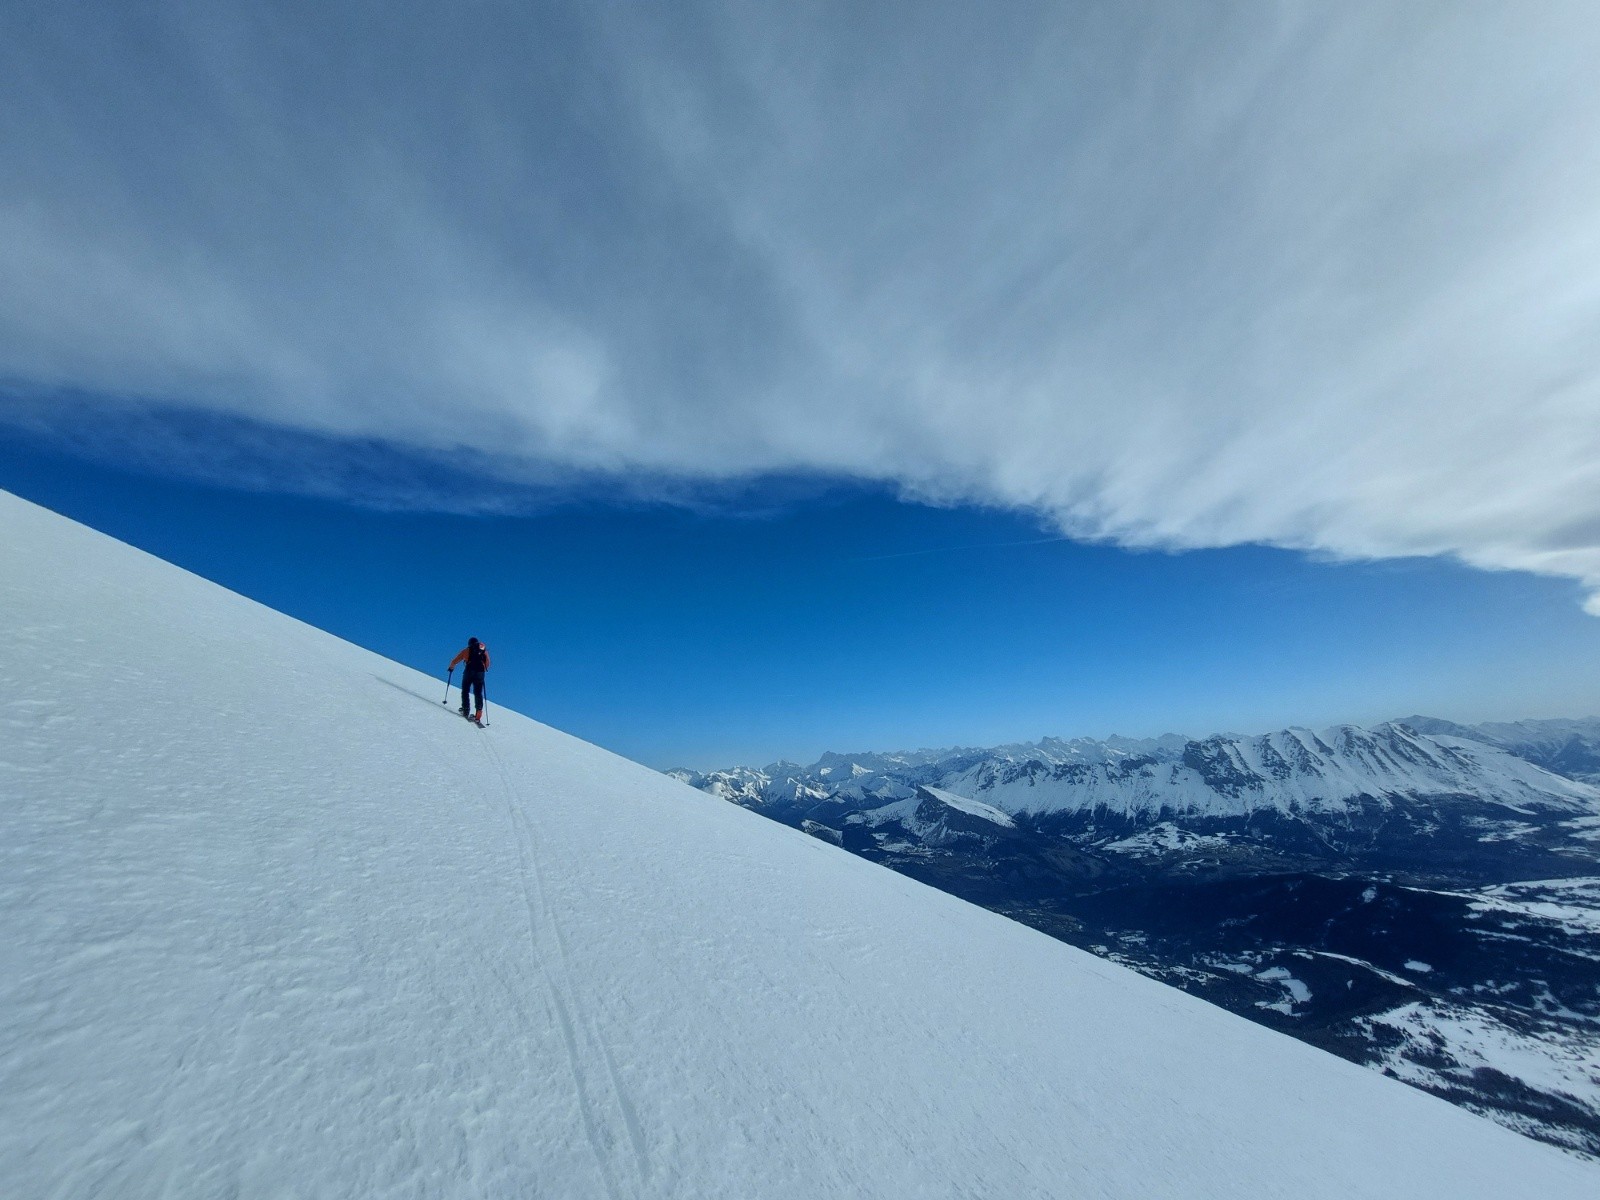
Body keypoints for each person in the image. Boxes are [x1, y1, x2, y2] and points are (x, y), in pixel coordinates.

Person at [449, 637, 491, 721]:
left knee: (465, 691)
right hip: (480, 673)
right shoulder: (484, 651)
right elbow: (487, 664)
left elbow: (456, 660)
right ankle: (478, 712)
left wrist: (451, 667)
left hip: (469, 671)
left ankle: (465, 710)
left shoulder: (467, 650)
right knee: (478, 692)